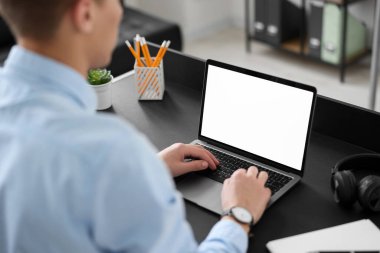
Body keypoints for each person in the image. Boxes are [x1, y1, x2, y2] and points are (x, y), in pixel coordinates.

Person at [0, 0, 271, 252]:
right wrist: (239, 215)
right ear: (85, 14)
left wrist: (148, 169)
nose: (120, 13)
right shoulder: (110, 152)